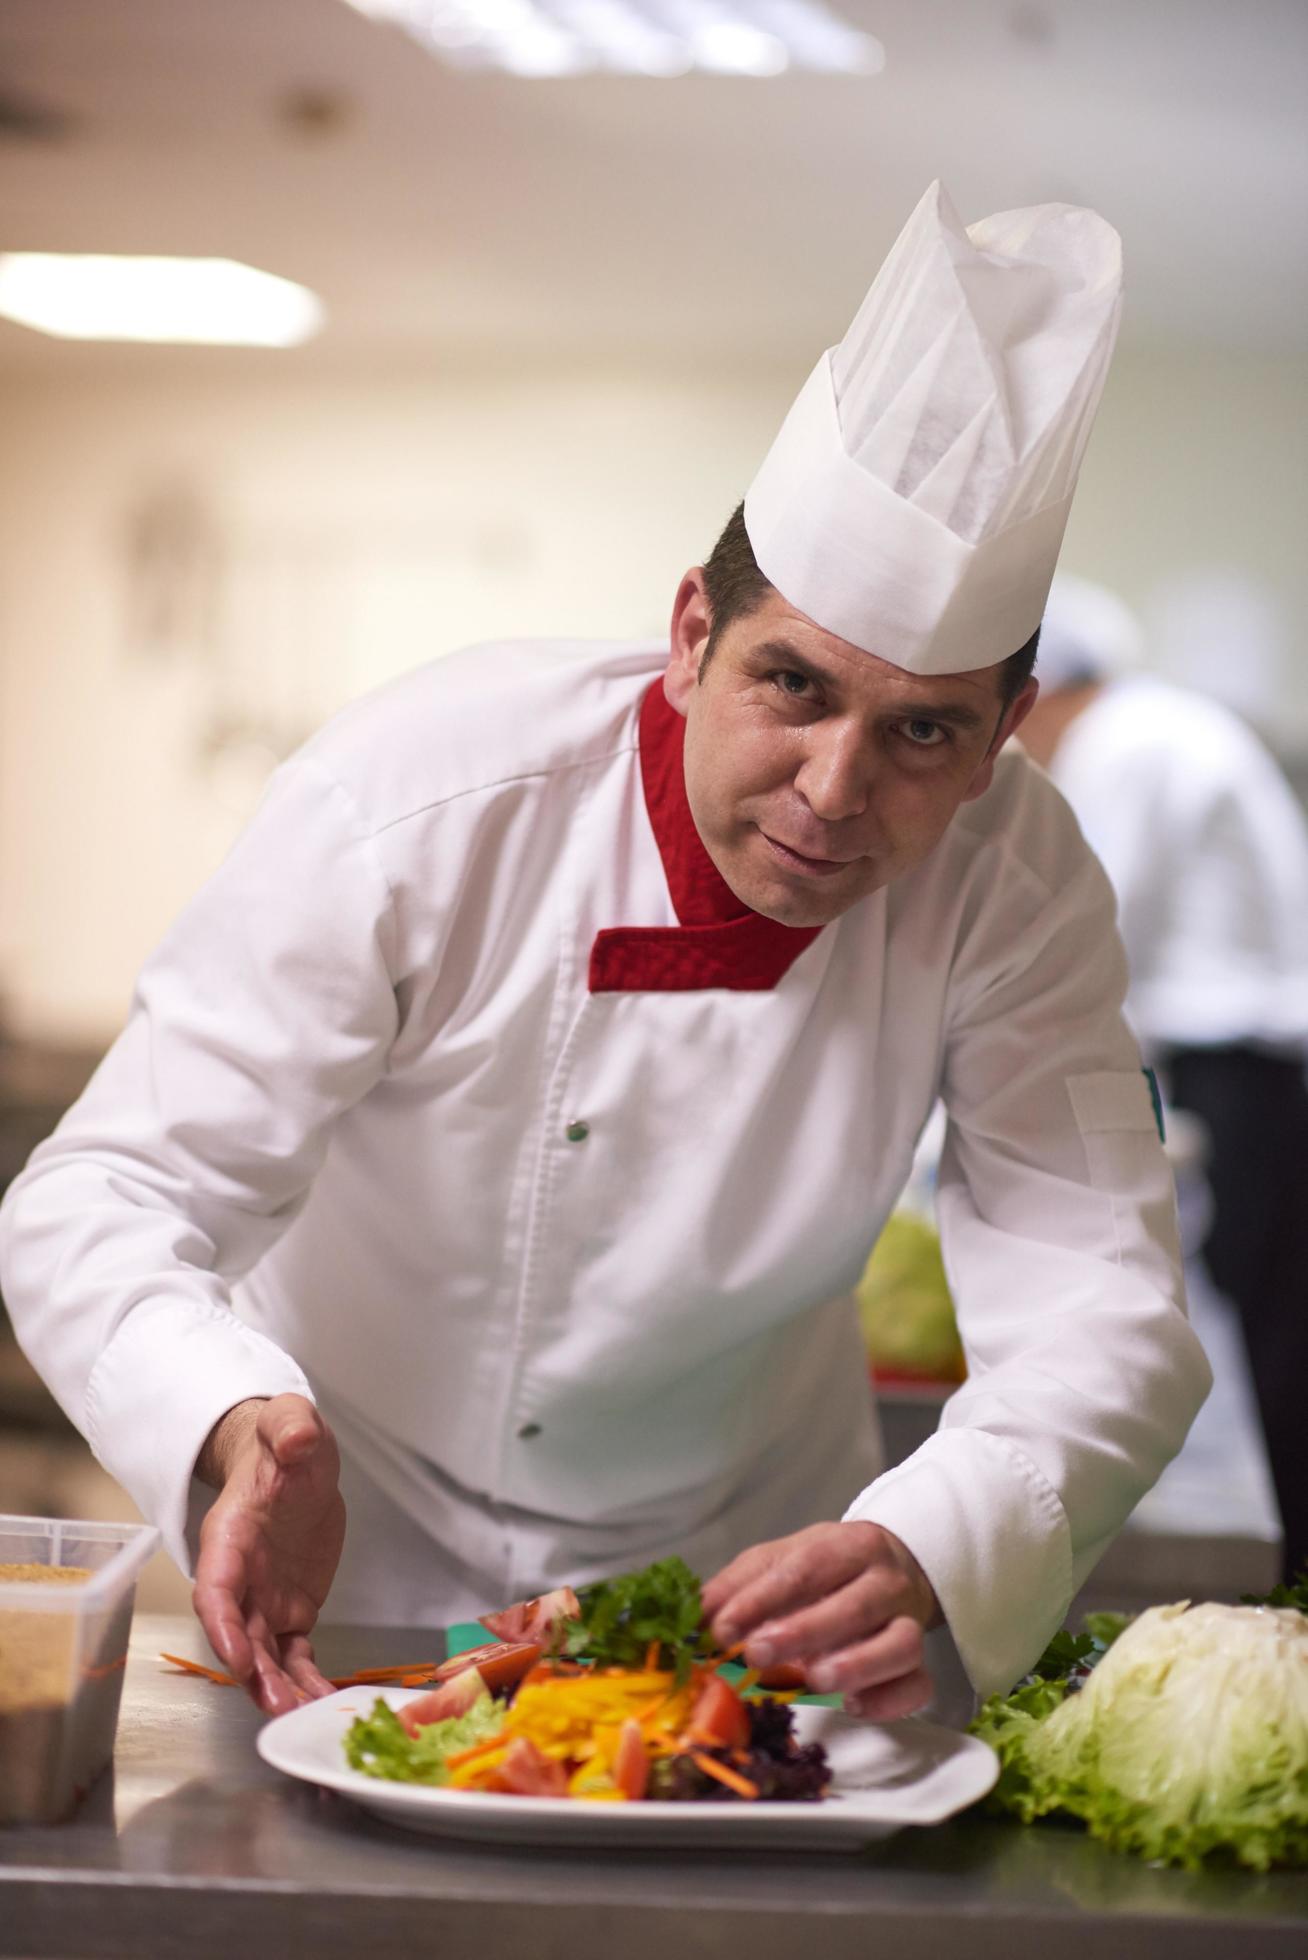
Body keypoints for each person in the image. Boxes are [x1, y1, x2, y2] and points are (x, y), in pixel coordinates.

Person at [0, 182, 1211, 1721]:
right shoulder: (415, 799)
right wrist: (231, 1416)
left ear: (1001, 737)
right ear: (692, 632)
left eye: (923, 729)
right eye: (793, 687)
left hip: (748, 1610)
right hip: (347, 1570)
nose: (837, 793)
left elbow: (1101, 1296)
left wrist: (927, 1539)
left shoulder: (1016, 878)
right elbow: (104, 1191)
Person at [1021, 577, 1308, 1581]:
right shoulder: (1166, 726)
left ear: (1043, 688)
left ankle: (1291, 1590)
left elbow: (1093, 933)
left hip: (1251, 1071)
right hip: (1249, 1064)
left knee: (1277, 1335)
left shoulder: (1128, 743)